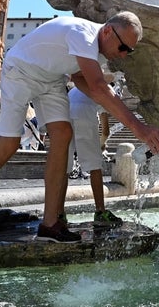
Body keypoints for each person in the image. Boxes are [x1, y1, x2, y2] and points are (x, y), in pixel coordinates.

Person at [0, 12, 159, 243]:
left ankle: (50, 223)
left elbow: (80, 79)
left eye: (129, 51)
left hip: (51, 79)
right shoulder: (83, 34)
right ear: (107, 31)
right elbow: (96, 86)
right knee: (8, 144)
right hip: (20, 72)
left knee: (63, 133)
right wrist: (139, 128)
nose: (124, 55)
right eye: (123, 47)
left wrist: (109, 103)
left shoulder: (98, 50)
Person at [65, 84, 123, 227]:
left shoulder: (75, 88)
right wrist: (101, 145)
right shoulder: (104, 87)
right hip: (84, 117)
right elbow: (105, 132)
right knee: (95, 167)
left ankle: (58, 213)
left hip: (64, 116)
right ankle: (100, 211)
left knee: (63, 168)